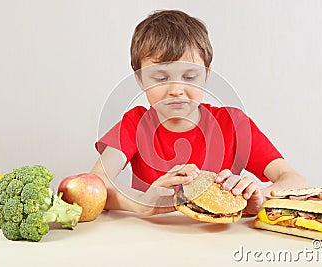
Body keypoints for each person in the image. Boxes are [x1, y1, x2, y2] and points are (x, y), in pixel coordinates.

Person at [91, 9, 308, 217]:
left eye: (189, 77)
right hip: (153, 241)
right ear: (139, 79)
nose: (176, 90)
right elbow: (95, 181)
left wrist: (253, 197)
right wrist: (143, 202)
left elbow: (295, 181)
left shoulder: (233, 124)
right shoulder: (135, 124)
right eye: (161, 78)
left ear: (206, 76)